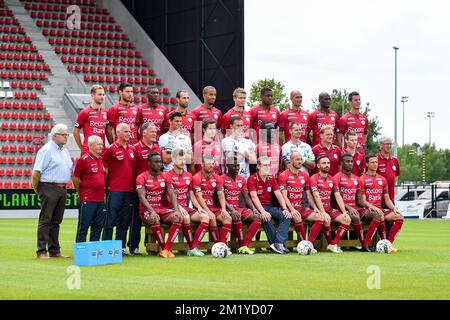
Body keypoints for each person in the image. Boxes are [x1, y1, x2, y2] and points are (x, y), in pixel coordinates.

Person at [32, 123, 73, 259]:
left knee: (56, 221)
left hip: (62, 188)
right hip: (49, 186)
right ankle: (41, 250)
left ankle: (55, 250)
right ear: (55, 135)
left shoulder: (65, 151)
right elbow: (36, 173)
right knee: (46, 220)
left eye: (66, 134)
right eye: (63, 134)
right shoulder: (46, 150)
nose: (66, 137)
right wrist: (39, 189)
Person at [135, 153, 183, 258]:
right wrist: (152, 211)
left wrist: (176, 210)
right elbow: (142, 197)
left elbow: (172, 193)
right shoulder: (141, 177)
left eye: (160, 162)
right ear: (149, 163)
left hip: (162, 209)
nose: (159, 164)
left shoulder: (165, 176)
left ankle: (166, 249)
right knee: (154, 219)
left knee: (178, 217)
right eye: (156, 162)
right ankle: (164, 249)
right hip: (146, 210)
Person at [165, 148, 210, 257]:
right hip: (173, 208)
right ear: (173, 159)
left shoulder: (189, 176)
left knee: (205, 217)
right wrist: (179, 208)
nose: (183, 161)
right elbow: (168, 197)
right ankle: (190, 247)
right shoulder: (167, 175)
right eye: (180, 159)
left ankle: (193, 247)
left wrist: (198, 207)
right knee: (185, 218)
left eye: (184, 159)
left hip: (186, 208)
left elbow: (191, 194)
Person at [278, 152, 324, 251]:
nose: (300, 162)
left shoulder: (305, 176)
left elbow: (308, 195)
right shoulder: (283, 175)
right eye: (297, 159)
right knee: (297, 218)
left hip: (301, 207)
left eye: (301, 159)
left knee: (320, 217)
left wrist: (315, 208)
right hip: (289, 208)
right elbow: (284, 196)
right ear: (291, 161)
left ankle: (308, 245)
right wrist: (292, 210)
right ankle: (303, 245)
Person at [102, 123, 136, 255]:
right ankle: (107, 246)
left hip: (129, 190)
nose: (129, 133)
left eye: (129, 131)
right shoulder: (110, 149)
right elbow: (106, 169)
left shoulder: (132, 149)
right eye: (126, 131)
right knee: (110, 220)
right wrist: (106, 188)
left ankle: (121, 247)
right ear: (118, 133)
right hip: (115, 190)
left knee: (125, 220)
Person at [127, 122, 161, 255]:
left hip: (155, 190)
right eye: (152, 131)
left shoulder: (157, 148)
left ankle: (149, 245)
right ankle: (133, 246)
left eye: (155, 131)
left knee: (152, 216)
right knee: (136, 219)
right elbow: (131, 168)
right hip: (140, 190)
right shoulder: (136, 148)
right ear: (144, 132)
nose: (155, 134)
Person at [333, 153, 377, 251]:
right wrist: (348, 207)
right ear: (341, 163)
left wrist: (370, 206)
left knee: (376, 214)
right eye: (347, 161)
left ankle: (369, 242)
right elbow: (335, 199)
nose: (350, 163)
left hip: (355, 208)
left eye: (351, 161)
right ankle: (364, 245)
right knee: (355, 216)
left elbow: (360, 200)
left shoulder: (356, 179)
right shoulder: (336, 178)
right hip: (340, 209)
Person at [247, 156, 292, 254]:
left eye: (269, 165)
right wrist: (262, 212)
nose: (267, 167)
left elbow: (279, 194)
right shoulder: (252, 179)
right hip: (257, 207)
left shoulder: (271, 178)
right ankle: (277, 245)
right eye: (265, 165)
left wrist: (285, 208)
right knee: (266, 217)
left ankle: (278, 244)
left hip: (269, 206)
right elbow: (254, 198)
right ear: (258, 166)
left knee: (287, 216)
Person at [360, 155, 404, 252]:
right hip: (366, 210)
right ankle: (365, 245)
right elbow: (362, 201)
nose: (375, 164)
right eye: (372, 162)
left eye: (376, 162)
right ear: (367, 164)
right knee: (379, 215)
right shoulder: (362, 179)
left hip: (380, 209)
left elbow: (387, 199)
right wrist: (372, 207)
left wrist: (394, 208)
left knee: (399, 217)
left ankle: (388, 244)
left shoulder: (382, 179)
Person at [309, 155, 351, 253]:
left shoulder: (332, 179)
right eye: (324, 163)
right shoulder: (313, 178)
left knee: (347, 219)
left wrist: (344, 211)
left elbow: (338, 196)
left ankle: (333, 244)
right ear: (318, 166)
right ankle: (315, 244)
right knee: (326, 219)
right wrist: (323, 212)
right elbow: (316, 196)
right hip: (317, 209)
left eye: (328, 163)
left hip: (329, 208)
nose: (327, 165)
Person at [222, 154, 262, 254]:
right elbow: (221, 198)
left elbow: (246, 198)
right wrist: (231, 210)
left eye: (238, 166)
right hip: (227, 209)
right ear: (228, 166)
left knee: (257, 218)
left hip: (238, 208)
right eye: (234, 166)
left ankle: (244, 246)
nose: (237, 168)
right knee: (237, 216)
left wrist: (254, 209)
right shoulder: (221, 179)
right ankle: (241, 245)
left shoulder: (242, 179)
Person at [193, 155, 233, 248]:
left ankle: (222, 246)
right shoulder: (197, 177)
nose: (211, 166)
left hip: (214, 208)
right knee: (212, 218)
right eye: (209, 164)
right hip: (201, 208)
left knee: (228, 218)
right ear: (202, 164)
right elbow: (198, 196)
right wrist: (207, 211)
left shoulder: (217, 178)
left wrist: (223, 209)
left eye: (212, 163)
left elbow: (221, 194)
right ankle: (217, 246)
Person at [72, 135, 105, 243]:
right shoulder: (84, 159)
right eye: (98, 144)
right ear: (90, 145)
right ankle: (80, 250)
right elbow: (75, 178)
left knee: (98, 226)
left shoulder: (101, 159)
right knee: (84, 226)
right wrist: (80, 192)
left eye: (101, 144)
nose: (101, 146)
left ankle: (93, 250)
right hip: (88, 199)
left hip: (100, 200)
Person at [73, 84, 108, 155]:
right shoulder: (85, 112)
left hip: (102, 151)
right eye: (99, 94)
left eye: (103, 94)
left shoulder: (105, 112)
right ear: (92, 95)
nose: (102, 97)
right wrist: (82, 148)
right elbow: (75, 131)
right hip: (88, 151)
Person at [377, 136, 400, 203]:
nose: (389, 146)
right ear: (381, 145)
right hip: (378, 198)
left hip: (391, 197)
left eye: (390, 144)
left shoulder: (395, 160)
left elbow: (396, 176)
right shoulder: (375, 159)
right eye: (387, 144)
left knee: (394, 213)